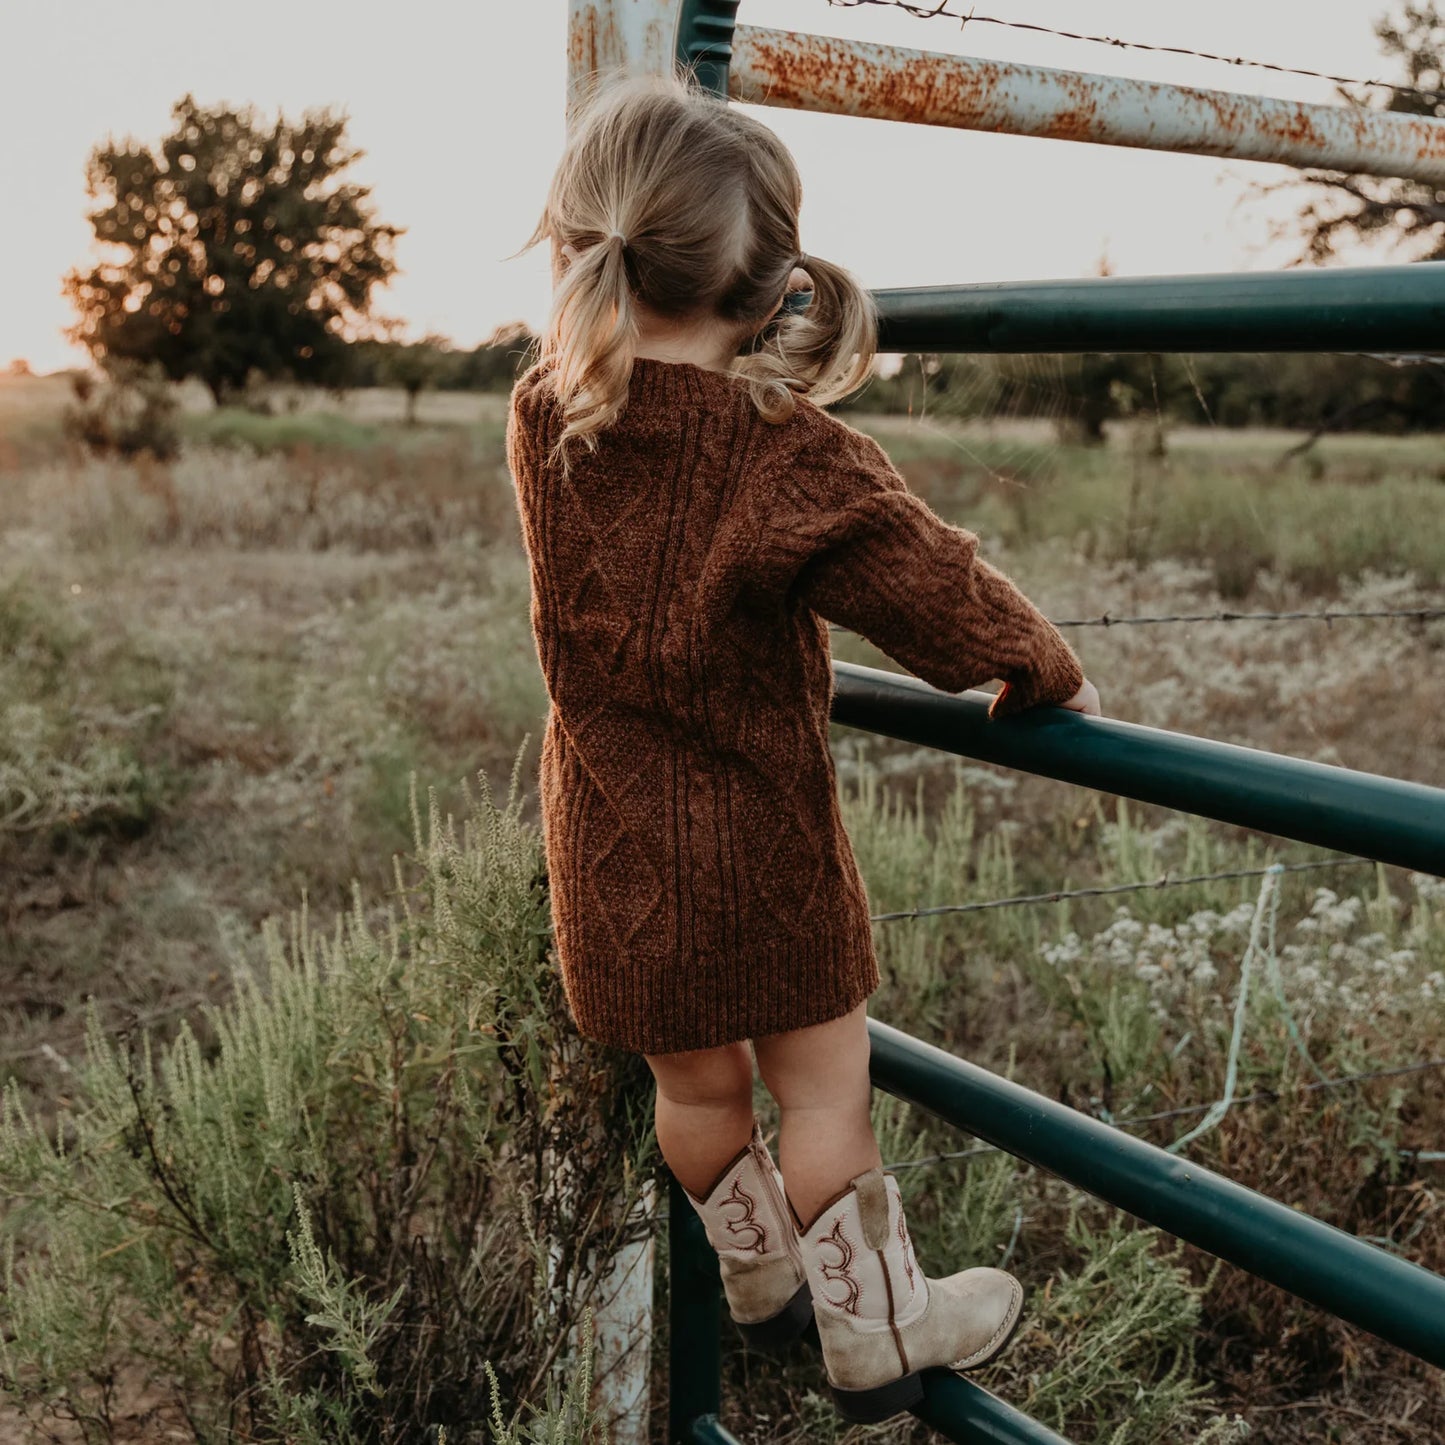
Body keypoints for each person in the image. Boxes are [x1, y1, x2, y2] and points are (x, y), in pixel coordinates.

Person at [507, 71, 1102, 1424]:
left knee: (696, 1089)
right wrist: (1034, 661)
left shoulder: (545, 414)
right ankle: (880, 1330)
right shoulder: (788, 450)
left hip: (608, 857)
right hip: (764, 855)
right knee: (821, 1097)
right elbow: (932, 590)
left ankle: (762, 1275)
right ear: (772, 287)